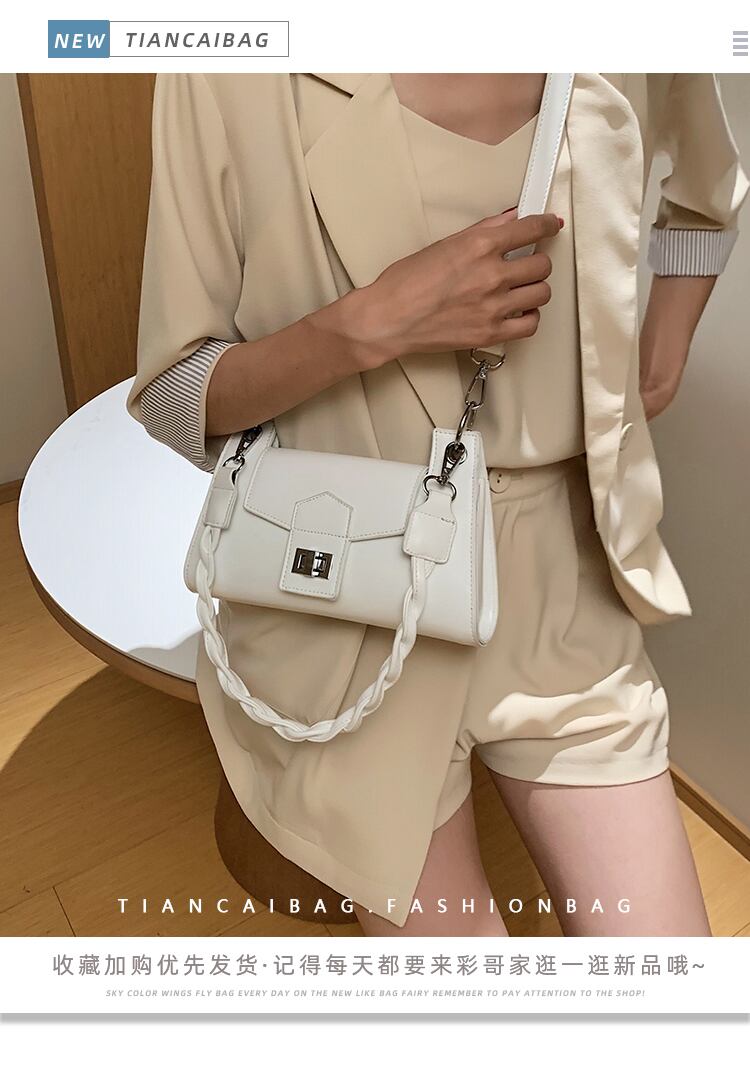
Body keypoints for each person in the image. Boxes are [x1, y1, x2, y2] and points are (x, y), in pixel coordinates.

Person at [127, 73, 749, 937]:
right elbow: (172, 393)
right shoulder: (233, 68)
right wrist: (367, 325)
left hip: (563, 591)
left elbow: (706, 201)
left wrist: (657, 361)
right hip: (346, 600)